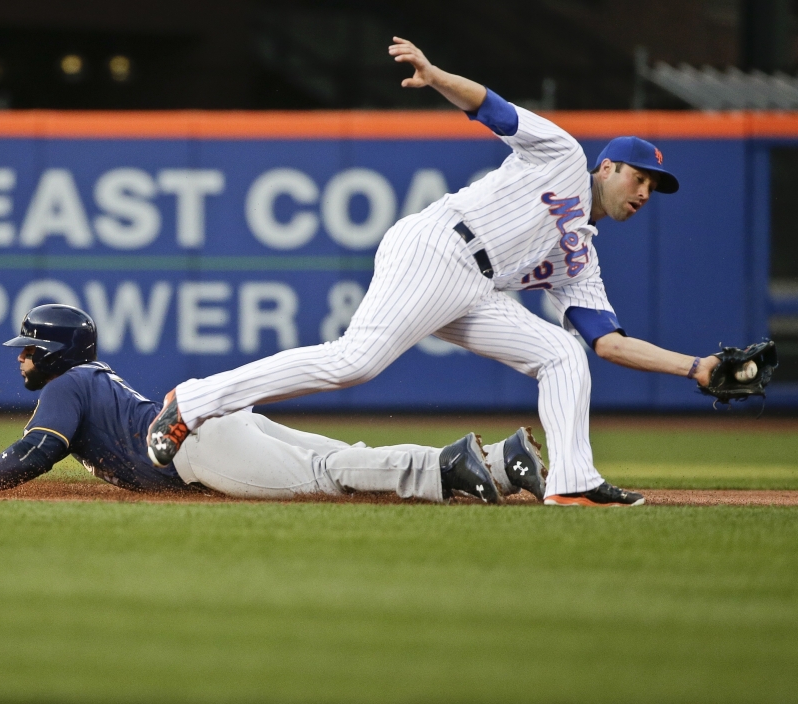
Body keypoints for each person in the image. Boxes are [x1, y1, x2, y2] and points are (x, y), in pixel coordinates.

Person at [146, 36, 724, 508]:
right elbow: (492, 109)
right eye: (638, 178)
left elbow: (609, 342)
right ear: (609, 167)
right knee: (354, 362)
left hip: (472, 287)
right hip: (439, 247)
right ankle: (195, 400)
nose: (644, 192)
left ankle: (572, 482)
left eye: (653, 188)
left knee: (563, 353)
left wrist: (697, 368)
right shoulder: (565, 155)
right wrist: (436, 74)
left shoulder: (580, 259)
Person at [0, 304, 545, 505]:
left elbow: (39, 451)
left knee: (329, 476)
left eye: (29, 348)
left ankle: (471, 469)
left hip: (194, 445)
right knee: (344, 459)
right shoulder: (91, 379)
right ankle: (490, 463)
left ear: (59, 352)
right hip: (207, 424)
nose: (20, 357)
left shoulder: (68, 386)